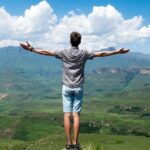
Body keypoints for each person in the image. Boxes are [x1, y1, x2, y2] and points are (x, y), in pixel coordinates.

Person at [20, 31, 129, 150]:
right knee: (76, 115)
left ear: (70, 41)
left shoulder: (63, 52)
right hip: (78, 87)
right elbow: (101, 54)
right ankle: (76, 144)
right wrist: (117, 51)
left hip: (66, 87)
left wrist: (31, 49)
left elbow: (46, 52)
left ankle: (68, 144)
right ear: (80, 42)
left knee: (67, 115)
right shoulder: (84, 53)